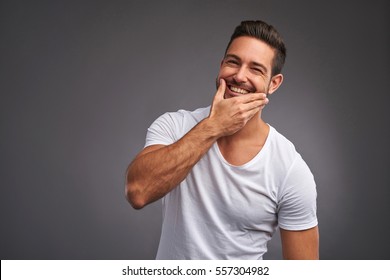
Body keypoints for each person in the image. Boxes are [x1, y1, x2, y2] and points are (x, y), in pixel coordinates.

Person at [125, 20, 319, 260]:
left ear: (274, 84)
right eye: (233, 62)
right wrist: (213, 127)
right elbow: (137, 192)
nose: (239, 76)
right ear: (221, 66)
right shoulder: (174, 126)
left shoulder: (290, 169)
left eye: (256, 69)